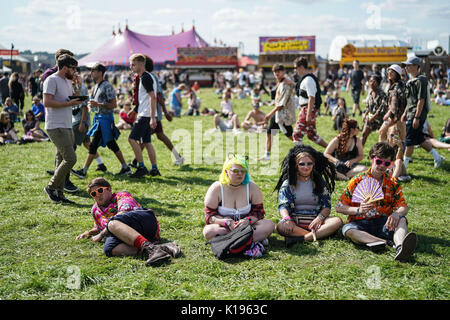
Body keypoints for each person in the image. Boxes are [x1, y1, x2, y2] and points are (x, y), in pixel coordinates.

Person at [336, 142, 417, 262]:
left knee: (402, 219)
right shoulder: (357, 181)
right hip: (359, 224)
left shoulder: (392, 183)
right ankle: (387, 243)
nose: (382, 166)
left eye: (387, 163)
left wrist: (397, 213)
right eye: (379, 161)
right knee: (348, 230)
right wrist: (358, 209)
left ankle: (400, 247)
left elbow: (403, 206)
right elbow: (340, 207)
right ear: (371, 159)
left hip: (384, 223)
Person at [76, 177, 181, 266]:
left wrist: (102, 234)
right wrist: (89, 233)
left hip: (145, 222)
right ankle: (159, 248)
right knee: (109, 249)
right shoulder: (95, 210)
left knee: (113, 222)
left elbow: (122, 215)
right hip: (129, 235)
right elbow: (98, 227)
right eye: (93, 194)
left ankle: (153, 249)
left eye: (100, 190)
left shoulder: (122, 195)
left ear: (109, 189)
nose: (97, 195)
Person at [203, 154, 275, 257]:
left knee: (269, 225)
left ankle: (231, 243)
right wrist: (226, 222)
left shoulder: (252, 187)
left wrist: (247, 221)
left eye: (243, 171)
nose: (240, 174)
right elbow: (210, 216)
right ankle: (250, 241)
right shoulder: (217, 188)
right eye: (236, 171)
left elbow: (259, 213)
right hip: (226, 228)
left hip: (248, 227)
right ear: (226, 172)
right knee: (208, 231)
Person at [71, 63, 131, 179]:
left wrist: (97, 104)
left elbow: (114, 104)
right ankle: (125, 167)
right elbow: (96, 104)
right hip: (99, 119)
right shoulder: (96, 86)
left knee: (93, 145)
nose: (91, 73)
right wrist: (92, 106)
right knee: (111, 144)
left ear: (100, 72)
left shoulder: (106, 86)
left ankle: (83, 171)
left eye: (93, 70)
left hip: (105, 120)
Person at [275, 144, 342, 247]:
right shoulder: (288, 183)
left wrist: (319, 218)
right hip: (295, 222)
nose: (306, 167)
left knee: (337, 221)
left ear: (313, 164)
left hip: (316, 222)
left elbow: (326, 207)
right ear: (296, 165)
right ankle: (317, 235)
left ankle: (303, 238)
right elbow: (283, 206)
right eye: (302, 164)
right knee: (280, 226)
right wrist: (287, 219)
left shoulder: (319, 182)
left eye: (309, 163)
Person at [42, 54, 83, 204]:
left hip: (65, 124)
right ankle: (51, 187)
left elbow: (73, 99)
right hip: (55, 125)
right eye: (73, 68)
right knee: (71, 158)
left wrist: (77, 87)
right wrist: (68, 104)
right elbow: (47, 102)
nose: (75, 71)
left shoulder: (67, 81)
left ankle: (60, 194)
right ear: (65, 67)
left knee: (61, 159)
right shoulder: (52, 80)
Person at [401, 56, 445, 169]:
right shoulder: (410, 80)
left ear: (417, 67)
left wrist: (417, 117)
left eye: (409, 65)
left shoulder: (421, 80)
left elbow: (421, 100)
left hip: (417, 114)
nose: (406, 67)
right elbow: (410, 101)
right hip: (411, 113)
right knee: (419, 139)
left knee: (409, 141)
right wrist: (405, 113)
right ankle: (438, 158)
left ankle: (404, 168)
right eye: (406, 65)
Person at [127, 54, 160, 178]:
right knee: (146, 142)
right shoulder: (146, 77)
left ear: (141, 64)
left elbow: (152, 97)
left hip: (146, 115)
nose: (131, 67)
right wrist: (135, 109)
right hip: (146, 113)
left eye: (133, 64)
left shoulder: (145, 77)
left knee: (131, 139)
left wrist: (152, 117)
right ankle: (154, 168)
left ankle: (141, 167)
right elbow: (146, 98)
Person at [259, 64, 296, 161]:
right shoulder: (280, 82)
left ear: (283, 71)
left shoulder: (284, 84)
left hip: (283, 115)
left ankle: (304, 150)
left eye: (278, 71)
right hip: (277, 114)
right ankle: (267, 155)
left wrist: (269, 114)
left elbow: (281, 104)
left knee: (291, 136)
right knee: (269, 132)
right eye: (275, 72)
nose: (276, 73)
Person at [291, 57, 328, 148]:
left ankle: (301, 157)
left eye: (296, 68)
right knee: (312, 135)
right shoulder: (305, 79)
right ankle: (332, 151)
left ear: (302, 67)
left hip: (308, 108)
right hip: (307, 108)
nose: (295, 70)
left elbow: (312, 98)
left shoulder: (308, 80)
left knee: (297, 135)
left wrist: (308, 114)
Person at [378, 64, 407, 143]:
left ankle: (381, 153)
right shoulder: (399, 84)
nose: (389, 73)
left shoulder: (396, 86)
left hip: (395, 115)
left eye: (392, 72)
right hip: (400, 115)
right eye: (388, 72)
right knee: (399, 137)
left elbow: (394, 103)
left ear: (397, 74)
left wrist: (388, 113)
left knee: (383, 132)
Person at [361, 73, 388, 146]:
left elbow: (382, 109)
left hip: (381, 119)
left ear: (378, 83)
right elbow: (368, 106)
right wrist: (365, 114)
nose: (371, 83)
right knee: (364, 134)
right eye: (370, 81)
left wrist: (374, 117)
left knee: (383, 138)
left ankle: (382, 153)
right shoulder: (370, 93)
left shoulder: (382, 94)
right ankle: (358, 152)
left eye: (373, 81)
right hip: (371, 118)